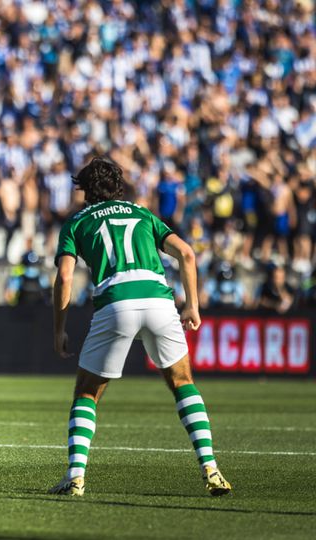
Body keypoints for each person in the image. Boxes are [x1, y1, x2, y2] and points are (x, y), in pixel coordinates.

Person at [50, 157, 232, 497]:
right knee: (182, 383)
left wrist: (59, 328)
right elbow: (188, 254)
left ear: (86, 191)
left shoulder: (76, 223)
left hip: (115, 302)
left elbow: (64, 277)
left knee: (87, 393)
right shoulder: (143, 213)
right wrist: (191, 304)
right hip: (160, 301)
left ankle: (75, 477)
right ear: (119, 186)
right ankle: (211, 468)